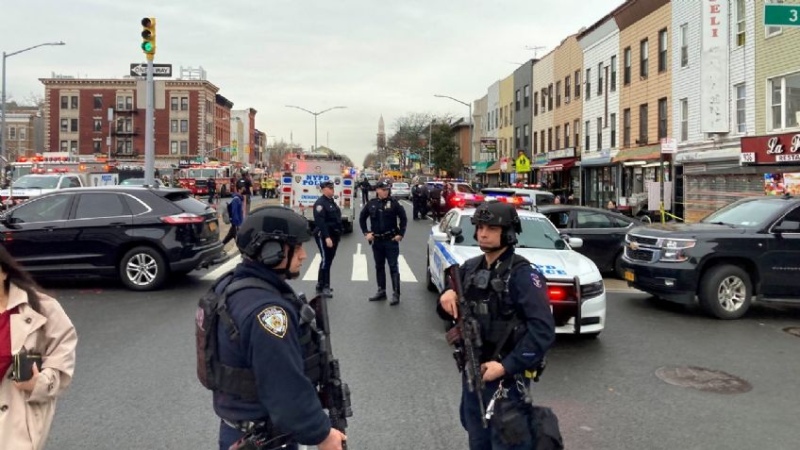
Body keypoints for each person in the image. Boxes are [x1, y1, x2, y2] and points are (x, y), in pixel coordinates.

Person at [209, 206, 347, 450]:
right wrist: (323, 435)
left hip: (239, 429)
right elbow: (285, 387)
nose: (304, 255)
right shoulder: (268, 312)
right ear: (271, 251)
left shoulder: (233, 285)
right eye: (297, 247)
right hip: (265, 439)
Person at [437, 201, 555, 450]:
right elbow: (450, 312)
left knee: (506, 441)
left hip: (506, 381)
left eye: (491, 228)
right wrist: (446, 295)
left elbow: (542, 331)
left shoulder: (523, 275)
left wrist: (505, 366)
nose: (482, 233)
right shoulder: (469, 268)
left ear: (508, 233)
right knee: (476, 435)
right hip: (474, 373)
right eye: (479, 227)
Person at [0, 245, 78, 450]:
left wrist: (40, 383)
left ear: (4, 272)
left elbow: (63, 352)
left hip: (16, 419)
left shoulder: (40, 307)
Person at [359, 180, 407, 305]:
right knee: (379, 266)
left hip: (390, 240)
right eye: (383, 189)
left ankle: (396, 293)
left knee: (393, 267)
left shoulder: (394, 203)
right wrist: (366, 233)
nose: (386, 192)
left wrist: (400, 234)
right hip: (377, 241)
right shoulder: (372, 204)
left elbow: (403, 218)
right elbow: (362, 218)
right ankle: (381, 291)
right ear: (377, 190)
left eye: (387, 189)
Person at [313, 180, 342, 298]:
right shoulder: (320, 203)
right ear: (324, 189)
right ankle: (325, 286)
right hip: (325, 236)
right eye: (330, 188)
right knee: (326, 260)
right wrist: (327, 237)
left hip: (334, 235)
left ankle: (320, 283)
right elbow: (320, 222)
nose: (332, 190)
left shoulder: (331, 202)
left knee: (328, 260)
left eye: (332, 188)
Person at [222, 180, 246, 248]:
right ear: (239, 190)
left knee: (229, 237)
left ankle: (220, 247)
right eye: (243, 189)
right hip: (236, 224)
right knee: (239, 242)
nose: (244, 190)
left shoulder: (239, 199)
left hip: (236, 225)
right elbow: (234, 212)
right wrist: (237, 224)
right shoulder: (236, 199)